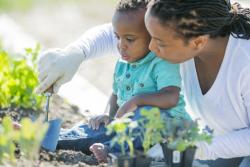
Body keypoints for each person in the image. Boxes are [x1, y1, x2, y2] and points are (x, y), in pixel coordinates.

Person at [37, 0, 250, 166]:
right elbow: (115, 34)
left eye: (159, 42)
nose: (151, 48)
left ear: (198, 42)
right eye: (150, 37)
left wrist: (197, 147)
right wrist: (76, 52)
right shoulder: (179, 36)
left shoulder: (244, 64)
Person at [56, 0, 190, 163]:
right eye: (117, 37)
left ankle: (111, 150)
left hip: (165, 125)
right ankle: (53, 137)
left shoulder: (161, 62)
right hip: (129, 124)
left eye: (130, 39)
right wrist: (108, 115)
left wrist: (136, 101)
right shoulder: (123, 63)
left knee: (145, 116)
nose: (121, 45)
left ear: (152, 36)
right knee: (96, 128)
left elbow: (171, 97)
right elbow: (116, 94)